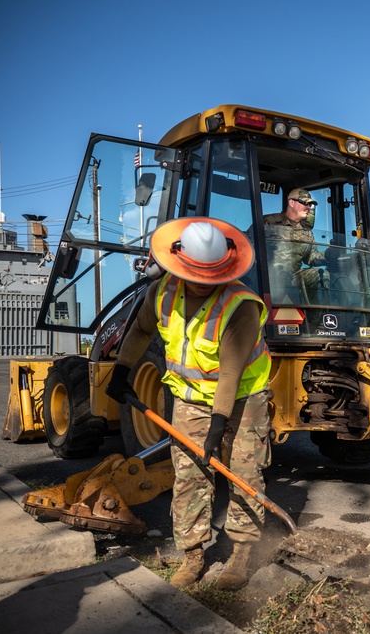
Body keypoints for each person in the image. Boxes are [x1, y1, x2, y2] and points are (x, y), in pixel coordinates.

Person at [106, 217, 272, 591]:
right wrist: (122, 371)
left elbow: (230, 375)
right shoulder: (162, 292)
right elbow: (139, 332)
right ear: (179, 264)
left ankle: (242, 554)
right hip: (189, 398)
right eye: (196, 275)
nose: (202, 283)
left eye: (211, 276)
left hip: (244, 398)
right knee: (189, 475)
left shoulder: (240, 306)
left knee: (244, 474)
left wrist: (218, 425)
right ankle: (193, 555)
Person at [263, 188, 329, 303]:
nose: (308, 208)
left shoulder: (306, 231)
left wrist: (329, 254)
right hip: (268, 277)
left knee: (321, 275)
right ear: (291, 203)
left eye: (310, 205)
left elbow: (312, 258)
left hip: (293, 278)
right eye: (305, 203)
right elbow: (249, 247)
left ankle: (318, 319)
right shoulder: (268, 222)